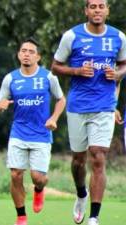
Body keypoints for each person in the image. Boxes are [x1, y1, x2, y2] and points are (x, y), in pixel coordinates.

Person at [51, 1, 126, 224]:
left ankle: (94, 217)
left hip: (104, 106)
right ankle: (81, 193)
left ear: (107, 10)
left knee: (98, 157)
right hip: (78, 106)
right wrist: (76, 70)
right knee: (78, 160)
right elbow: (55, 67)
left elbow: (124, 64)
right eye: (92, 6)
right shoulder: (72, 36)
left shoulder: (118, 37)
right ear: (86, 10)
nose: (97, 10)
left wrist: (119, 74)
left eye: (101, 6)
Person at [0, 38, 66, 225]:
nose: (27, 54)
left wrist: (53, 119)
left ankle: (39, 189)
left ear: (38, 56)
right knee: (15, 175)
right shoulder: (10, 78)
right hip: (18, 133)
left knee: (38, 177)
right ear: (19, 54)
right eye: (23, 50)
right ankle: (21, 217)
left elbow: (61, 99)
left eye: (31, 51)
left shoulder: (48, 77)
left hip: (41, 134)